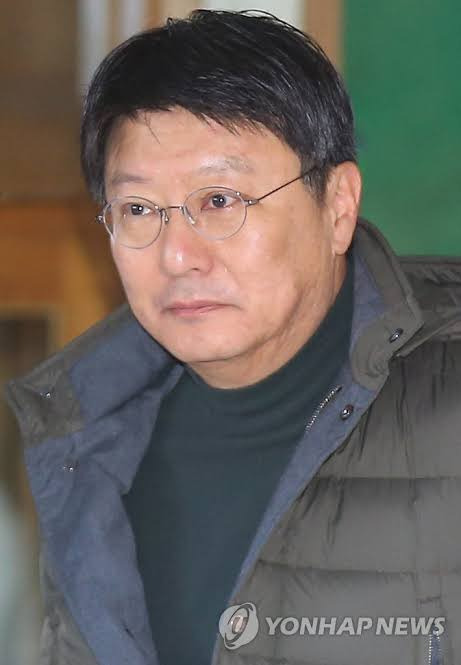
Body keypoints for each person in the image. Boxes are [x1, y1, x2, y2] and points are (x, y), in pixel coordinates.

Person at [5, 9, 461, 665]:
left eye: (219, 201)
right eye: (139, 210)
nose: (177, 256)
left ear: (337, 205)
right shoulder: (86, 435)